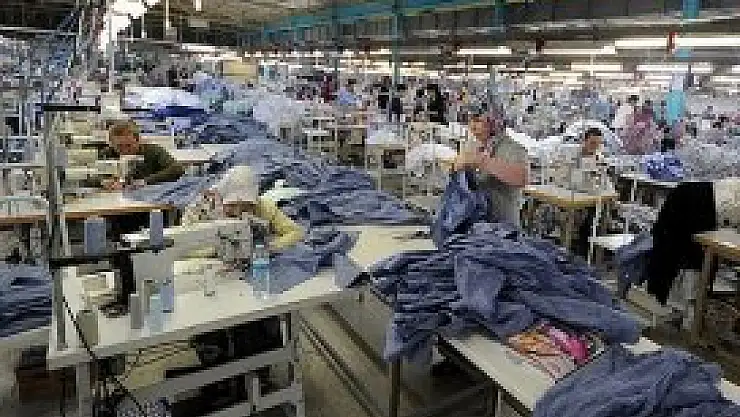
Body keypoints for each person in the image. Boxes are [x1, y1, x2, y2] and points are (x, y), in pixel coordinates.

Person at [100, 120, 185, 189]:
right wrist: (103, 181)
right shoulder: (107, 154)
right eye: (119, 146)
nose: (125, 150)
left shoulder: (153, 151)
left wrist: (145, 181)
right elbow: (94, 176)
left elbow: (177, 169)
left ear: (138, 141)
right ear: (112, 144)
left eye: (129, 145)